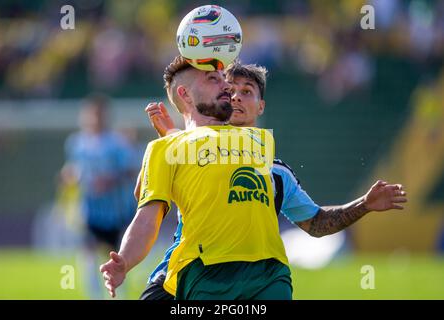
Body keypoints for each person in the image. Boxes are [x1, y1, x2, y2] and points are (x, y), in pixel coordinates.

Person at [136, 61, 408, 300]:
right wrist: (170, 140)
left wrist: (365, 204)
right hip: (181, 276)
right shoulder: (188, 147)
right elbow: (144, 196)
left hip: (257, 278)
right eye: (229, 91)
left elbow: (316, 223)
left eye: (247, 92)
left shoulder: (276, 173)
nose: (236, 98)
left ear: (261, 106)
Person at [100, 55, 294, 300]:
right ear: (186, 94)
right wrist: (124, 261)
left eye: (223, 78)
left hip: (270, 272)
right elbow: (147, 218)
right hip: (206, 273)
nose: (226, 85)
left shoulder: (259, 139)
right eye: (213, 79)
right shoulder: (165, 148)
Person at [62, 94, 137, 298]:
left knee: (115, 257)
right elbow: (74, 169)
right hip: (90, 210)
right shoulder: (76, 142)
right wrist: (69, 176)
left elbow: (131, 170)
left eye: (99, 114)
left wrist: (109, 180)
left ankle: (119, 294)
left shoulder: (117, 143)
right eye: (91, 114)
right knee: (88, 253)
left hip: (115, 211)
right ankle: (94, 295)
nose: (94, 118)